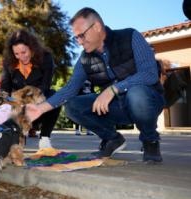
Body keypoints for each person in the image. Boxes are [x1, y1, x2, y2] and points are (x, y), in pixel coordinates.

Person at [26, 7, 165, 163]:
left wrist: (113, 89)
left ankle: (150, 141)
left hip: (147, 101)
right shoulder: (85, 58)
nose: (79, 42)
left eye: (81, 36)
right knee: (72, 106)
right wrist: (40, 109)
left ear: (97, 27)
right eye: (76, 38)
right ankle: (112, 139)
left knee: (137, 93)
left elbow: (149, 74)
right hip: (116, 107)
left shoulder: (130, 36)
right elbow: (69, 89)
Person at [1, 29, 61, 149]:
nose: (21, 57)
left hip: (38, 101)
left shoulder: (46, 58)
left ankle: (44, 138)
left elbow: (45, 86)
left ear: (32, 48)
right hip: (17, 104)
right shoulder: (8, 62)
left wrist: (30, 105)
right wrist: (3, 101)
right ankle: (14, 135)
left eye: (24, 52)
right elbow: (5, 87)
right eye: (16, 54)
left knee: (55, 97)